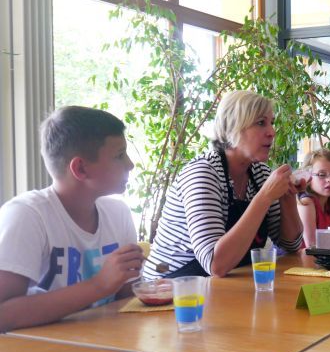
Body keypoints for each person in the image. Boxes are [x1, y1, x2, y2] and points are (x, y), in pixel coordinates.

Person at [0, 106, 144, 332]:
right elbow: (3, 314)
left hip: (104, 351)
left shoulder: (118, 214)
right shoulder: (27, 216)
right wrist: (99, 285)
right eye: (119, 155)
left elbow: (126, 299)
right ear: (80, 168)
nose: (130, 164)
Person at [142, 91, 304, 279]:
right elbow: (216, 265)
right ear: (233, 127)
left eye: (271, 122)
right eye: (261, 123)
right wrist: (265, 197)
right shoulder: (203, 173)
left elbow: (291, 245)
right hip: (171, 290)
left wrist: (287, 196)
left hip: (225, 285)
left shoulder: (259, 174)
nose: (272, 132)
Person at [297, 148, 330, 248]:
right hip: (289, 261)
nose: (329, 179)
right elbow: (312, 246)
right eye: (322, 175)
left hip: (315, 259)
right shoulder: (306, 203)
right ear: (308, 177)